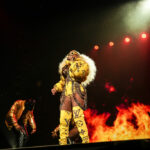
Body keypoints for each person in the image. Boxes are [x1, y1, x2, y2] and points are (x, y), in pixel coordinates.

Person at [51, 50, 96, 145]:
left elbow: (81, 75)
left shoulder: (82, 64)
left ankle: (85, 141)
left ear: (75, 56)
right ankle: (62, 143)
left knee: (78, 117)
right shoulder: (65, 67)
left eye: (71, 54)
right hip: (66, 94)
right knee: (63, 119)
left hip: (76, 92)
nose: (69, 56)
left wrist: (72, 66)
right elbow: (63, 82)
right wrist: (56, 88)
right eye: (68, 55)